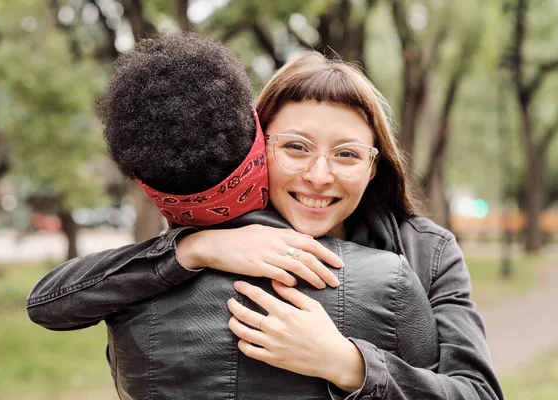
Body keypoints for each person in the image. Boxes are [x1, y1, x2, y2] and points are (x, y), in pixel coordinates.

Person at [27, 33, 502, 400]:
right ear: (259, 146)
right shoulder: (211, 234)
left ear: (374, 165)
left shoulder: (426, 249)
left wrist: (348, 364)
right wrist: (193, 248)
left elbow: (477, 391)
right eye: (296, 147)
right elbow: (51, 302)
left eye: (347, 155)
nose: (320, 176)